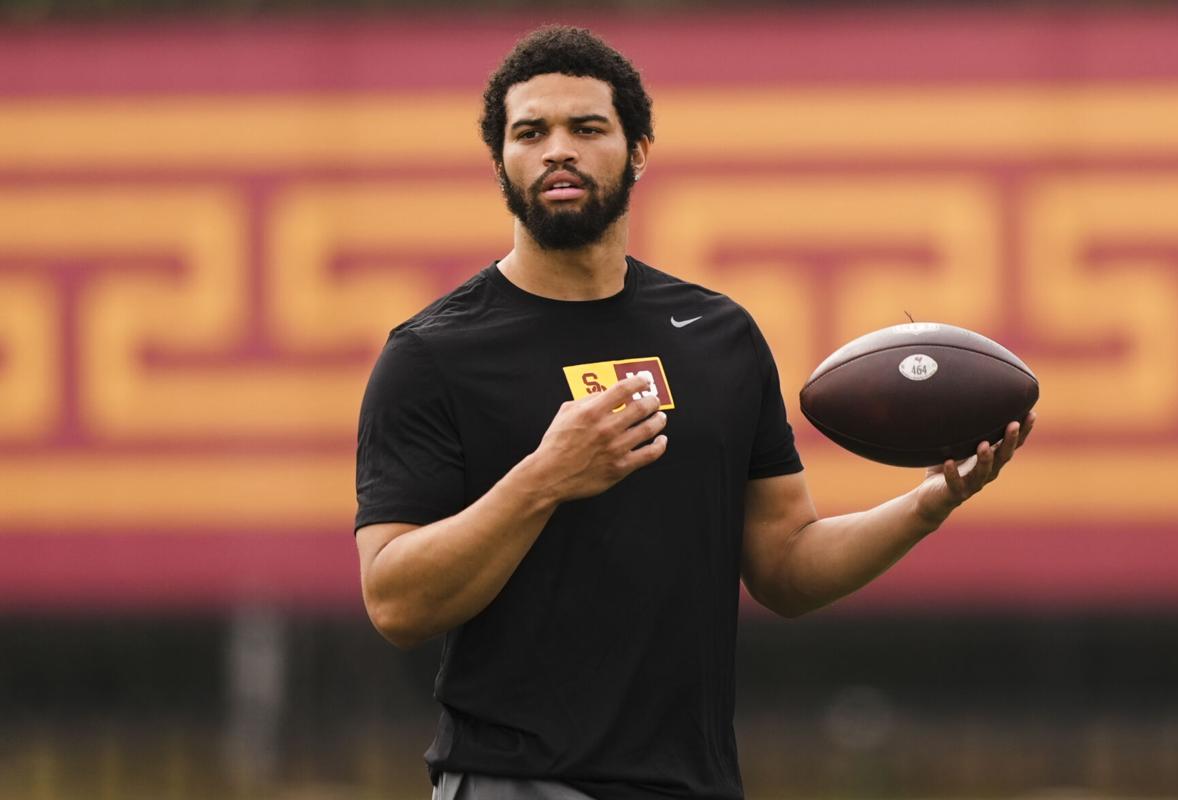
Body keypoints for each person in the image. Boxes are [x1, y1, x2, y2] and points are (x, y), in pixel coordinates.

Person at [354, 25, 1033, 800]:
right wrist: (543, 478)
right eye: (530, 132)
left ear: (638, 149)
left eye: (587, 128)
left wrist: (927, 504)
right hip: (518, 780)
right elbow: (395, 600)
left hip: (692, 783)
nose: (557, 151)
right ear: (501, 160)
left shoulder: (719, 336)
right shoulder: (434, 354)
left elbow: (785, 566)